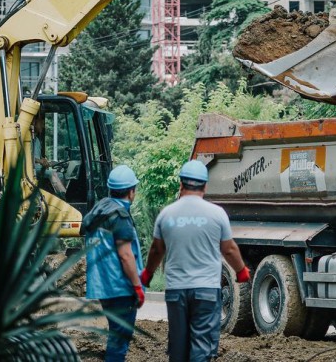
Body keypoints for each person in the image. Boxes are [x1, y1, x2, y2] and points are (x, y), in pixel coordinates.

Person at [140, 159, 250, 362]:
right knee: (202, 347)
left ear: (181, 184)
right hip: (206, 291)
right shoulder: (217, 214)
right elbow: (229, 249)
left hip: (176, 291)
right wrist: (241, 270)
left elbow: (157, 249)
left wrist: (147, 274)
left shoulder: (167, 214)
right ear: (205, 186)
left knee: (178, 348)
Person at [82, 165, 146, 362]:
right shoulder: (120, 216)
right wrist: (137, 286)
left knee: (115, 335)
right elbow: (126, 256)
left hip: (103, 287)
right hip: (121, 289)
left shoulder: (98, 210)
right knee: (119, 341)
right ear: (131, 191)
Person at [31, 113, 67, 197]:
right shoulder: (27, 139)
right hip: (30, 169)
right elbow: (26, 157)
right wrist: (40, 161)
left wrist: (49, 163)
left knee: (60, 174)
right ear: (34, 122)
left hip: (36, 167)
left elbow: (36, 158)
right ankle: (63, 196)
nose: (43, 127)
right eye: (41, 124)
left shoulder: (36, 140)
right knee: (52, 174)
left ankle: (60, 195)